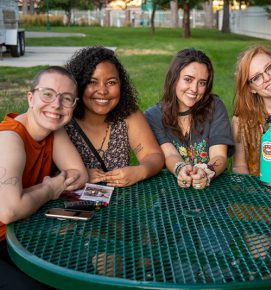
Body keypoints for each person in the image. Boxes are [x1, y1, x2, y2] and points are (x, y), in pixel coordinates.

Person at [0, 66, 88, 289]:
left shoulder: (53, 130)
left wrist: (28, 196)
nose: (56, 105)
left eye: (66, 98)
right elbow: (9, 210)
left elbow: (79, 174)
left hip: (23, 231)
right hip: (4, 237)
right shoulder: (9, 138)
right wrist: (49, 190)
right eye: (47, 94)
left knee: (82, 270)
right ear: (31, 97)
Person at [65, 46, 164, 187]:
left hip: (120, 204)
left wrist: (140, 171)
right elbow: (47, 173)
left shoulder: (128, 114)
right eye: (92, 82)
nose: (103, 91)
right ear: (78, 85)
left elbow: (153, 155)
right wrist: (80, 175)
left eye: (111, 82)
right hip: (67, 205)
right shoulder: (64, 118)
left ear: (121, 86)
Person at [144, 48, 234, 190]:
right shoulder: (153, 115)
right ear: (174, 79)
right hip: (171, 193)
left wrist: (206, 171)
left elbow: (219, 156)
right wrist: (181, 169)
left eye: (202, 83)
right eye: (188, 79)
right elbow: (170, 154)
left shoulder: (215, 107)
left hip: (213, 193)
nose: (194, 89)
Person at [232, 45, 271, 175]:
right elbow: (239, 167)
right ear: (251, 88)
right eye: (256, 77)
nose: (267, 78)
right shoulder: (242, 121)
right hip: (259, 191)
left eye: (270, 67)